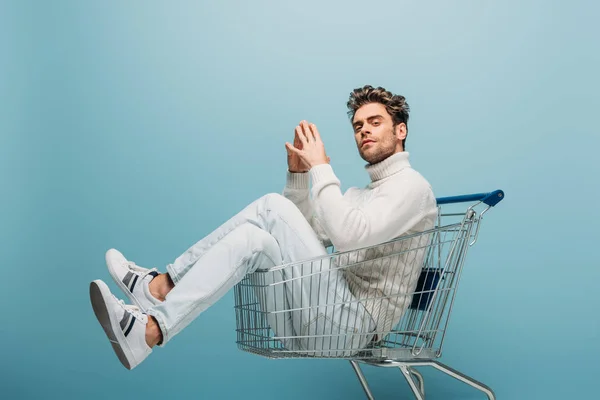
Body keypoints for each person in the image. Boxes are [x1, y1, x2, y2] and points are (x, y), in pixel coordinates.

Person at [89, 85, 438, 370]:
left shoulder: (412, 187)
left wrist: (319, 168)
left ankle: (161, 286)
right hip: (313, 318)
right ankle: (151, 330)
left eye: (375, 122)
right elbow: (309, 236)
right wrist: (299, 177)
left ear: (400, 130)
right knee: (253, 239)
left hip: (351, 327)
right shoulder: (358, 194)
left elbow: (348, 237)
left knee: (271, 206)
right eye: (358, 125)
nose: (364, 130)